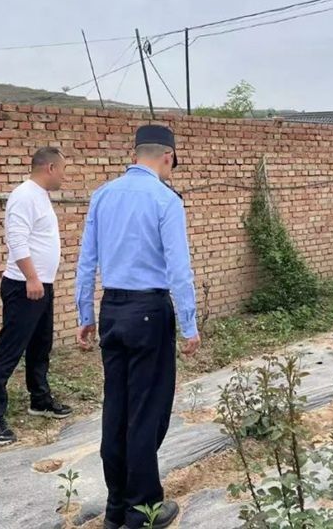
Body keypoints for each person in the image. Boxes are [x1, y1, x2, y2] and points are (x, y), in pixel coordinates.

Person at [75, 124, 201, 529]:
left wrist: (85, 315)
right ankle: (143, 508)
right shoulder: (165, 200)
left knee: (117, 407)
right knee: (147, 411)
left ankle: (116, 507)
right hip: (149, 311)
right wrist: (189, 324)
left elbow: (86, 260)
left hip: (112, 309)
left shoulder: (103, 195)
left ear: (135, 155)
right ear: (168, 156)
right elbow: (179, 268)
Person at [0, 147, 72, 445]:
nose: (64, 176)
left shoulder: (40, 195)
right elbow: (17, 240)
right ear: (49, 168)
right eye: (62, 170)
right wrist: (32, 277)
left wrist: (41, 280)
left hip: (41, 285)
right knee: (10, 350)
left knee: (40, 346)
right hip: (24, 286)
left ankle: (40, 399)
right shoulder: (24, 196)